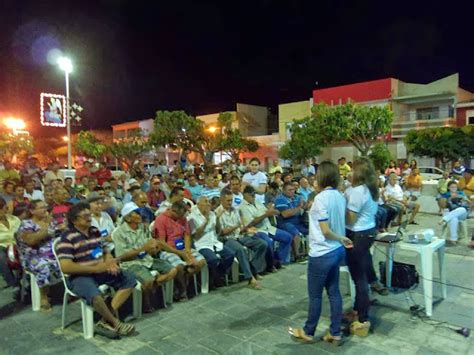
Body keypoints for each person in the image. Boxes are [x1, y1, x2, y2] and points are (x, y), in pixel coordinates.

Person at [288, 161, 352, 344]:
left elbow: (324, 230)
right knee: (334, 291)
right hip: (336, 251)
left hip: (322, 253)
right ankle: (335, 332)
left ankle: (308, 332)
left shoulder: (321, 198)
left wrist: (339, 238)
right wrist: (340, 239)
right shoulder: (339, 196)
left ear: (322, 176)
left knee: (315, 295)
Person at [56, 202, 137, 336]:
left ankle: (105, 320)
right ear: (75, 220)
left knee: (129, 278)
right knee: (95, 295)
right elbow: (66, 267)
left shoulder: (93, 231)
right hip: (80, 275)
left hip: (100, 270)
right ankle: (115, 323)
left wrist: (110, 262)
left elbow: (104, 250)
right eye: (85, 216)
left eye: (89, 215)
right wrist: (94, 269)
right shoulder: (67, 237)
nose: (89, 218)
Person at [113, 203, 177, 313]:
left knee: (173, 270)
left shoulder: (143, 227)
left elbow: (150, 244)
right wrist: (143, 248)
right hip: (131, 263)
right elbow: (121, 257)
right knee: (148, 280)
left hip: (147, 259)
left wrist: (154, 248)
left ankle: (153, 287)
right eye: (137, 213)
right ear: (128, 218)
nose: (140, 215)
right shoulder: (119, 233)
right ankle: (146, 302)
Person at [344, 157, 379, 336]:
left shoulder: (358, 192)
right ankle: (358, 309)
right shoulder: (371, 189)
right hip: (368, 232)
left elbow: (350, 218)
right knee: (361, 275)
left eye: (352, 168)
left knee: (359, 277)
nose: (349, 171)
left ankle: (363, 318)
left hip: (358, 235)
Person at [153, 201, 206, 301]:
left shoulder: (182, 218)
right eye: (180, 215)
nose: (182, 218)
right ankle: (183, 291)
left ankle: (184, 278)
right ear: (173, 211)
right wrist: (179, 253)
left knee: (201, 261)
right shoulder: (161, 219)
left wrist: (187, 251)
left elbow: (186, 235)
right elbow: (161, 242)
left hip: (181, 247)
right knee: (179, 266)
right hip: (167, 249)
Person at [216, 189, 267, 289]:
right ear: (221, 200)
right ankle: (250, 278)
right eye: (228, 201)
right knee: (240, 249)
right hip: (226, 240)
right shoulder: (218, 212)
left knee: (262, 244)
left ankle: (253, 268)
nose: (230, 203)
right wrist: (236, 226)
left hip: (239, 236)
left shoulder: (235, 210)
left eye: (231, 200)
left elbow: (240, 226)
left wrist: (246, 229)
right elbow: (222, 232)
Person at [16, 200, 61, 312]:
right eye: (41, 208)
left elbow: (58, 234)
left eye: (45, 207)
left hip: (52, 253)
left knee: (69, 260)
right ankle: (44, 297)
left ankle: (70, 290)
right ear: (32, 211)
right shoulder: (26, 224)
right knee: (43, 266)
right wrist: (46, 229)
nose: (44, 209)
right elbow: (31, 241)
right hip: (33, 256)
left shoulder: (50, 221)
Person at [187, 196, 235, 289]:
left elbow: (218, 231)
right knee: (213, 260)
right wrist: (206, 221)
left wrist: (217, 219)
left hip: (214, 242)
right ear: (198, 204)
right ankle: (210, 280)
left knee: (230, 255)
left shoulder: (212, 214)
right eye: (205, 202)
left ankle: (218, 276)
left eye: (208, 202)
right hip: (202, 244)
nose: (208, 204)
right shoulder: (192, 217)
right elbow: (195, 235)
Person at [240, 185, 292, 267]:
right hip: (257, 230)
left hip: (268, 227)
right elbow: (250, 223)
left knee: (287, 237)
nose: (253, 196)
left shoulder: (258, 203)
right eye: (251, 194)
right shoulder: (242, 207)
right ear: (245, 195)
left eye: (254, 194)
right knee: (268, 242)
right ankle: (270, 265)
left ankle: (279, 260)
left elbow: (267, 212)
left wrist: (272, 210)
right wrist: (266, 214)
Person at [274, 182, 307, 262]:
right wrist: (299, 207)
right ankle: (297, 256)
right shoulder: (280, 199)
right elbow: (285, 214)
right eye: (289, 190)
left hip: (298, 221)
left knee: (313, 229)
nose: (292, 191)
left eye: (293, 190)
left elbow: (304, 206)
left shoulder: (297, 197)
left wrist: (307, 204)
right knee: (295, 233)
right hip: (285, 223)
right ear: (284, 190)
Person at [438, 181, 470, 246]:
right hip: (451, 213)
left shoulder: (461, 193)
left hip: (462, 213)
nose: (454, 188)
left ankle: (444, 219)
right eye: (452, 187)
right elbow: (442, 206)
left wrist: (464, 199)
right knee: (454, 218)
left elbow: (469, 203)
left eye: (455, 187)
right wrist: (449, 198)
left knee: (461, 209)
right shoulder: (445, 194)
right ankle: (453, 239)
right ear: (448, 188)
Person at [0, 197, 21, 290]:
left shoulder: (14, 219)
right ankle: (13, 283)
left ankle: (19, 279)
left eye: (3, 208)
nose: (1, 211)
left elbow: (22, 232)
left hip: (18, 244)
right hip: (3, 246)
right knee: (1, 258)